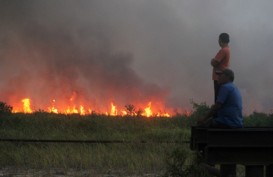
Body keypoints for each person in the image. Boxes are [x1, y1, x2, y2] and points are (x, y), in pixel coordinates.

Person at [211, 33, 230, 103]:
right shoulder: (227, 49)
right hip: (222, 76)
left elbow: (214, 63)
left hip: (219, 77)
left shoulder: (223, 50)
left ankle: (217, 113)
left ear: (221, 40)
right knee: (221, 96)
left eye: (219, 39)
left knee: (218, 97)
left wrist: (212, 61)